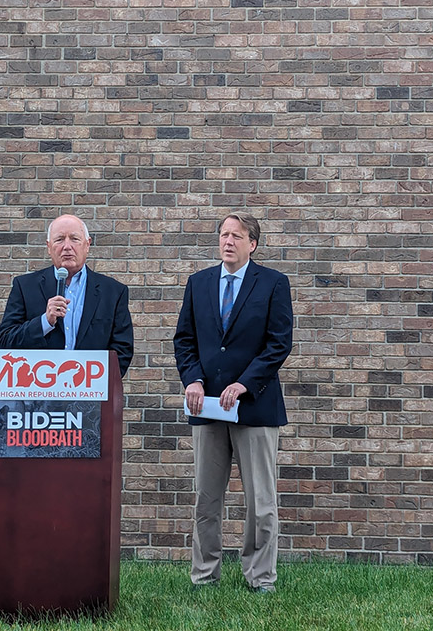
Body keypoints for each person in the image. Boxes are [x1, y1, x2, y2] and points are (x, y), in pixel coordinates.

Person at [173, 213, 293, 593]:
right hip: (207, 408)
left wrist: (245, 384)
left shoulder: (273, 283)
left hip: (255, 407)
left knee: (261, 501)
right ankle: (204, 575)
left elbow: (279, 344)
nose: (227, 241)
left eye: (236, 236)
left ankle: (261, 577)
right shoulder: (199, 283)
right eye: (223, 234)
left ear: (252, 244)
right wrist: (192, 378)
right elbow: (184, 340)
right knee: (206, 499)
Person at [0, 214, 134, 375]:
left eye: (74, 239)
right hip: (39, 393)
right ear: (49, 247)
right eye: (59, 239)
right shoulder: (25, 286)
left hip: (91, 393)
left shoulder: (113, 292)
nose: (67, 246)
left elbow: (122, 349)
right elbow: (5, 342)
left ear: (87, 245)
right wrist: (44, 321)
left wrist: (102, 384)